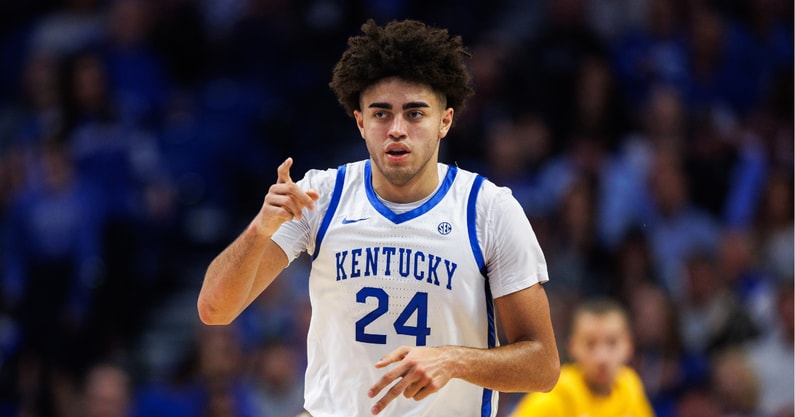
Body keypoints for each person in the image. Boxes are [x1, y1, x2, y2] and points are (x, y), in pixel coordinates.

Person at [197, 19, 560, 417]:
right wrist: (259, 229)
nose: (397, 130)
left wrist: (454, 360)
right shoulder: (321, 195)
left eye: (415, 113)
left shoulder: (488, 209)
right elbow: (215, 311)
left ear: (445, 121)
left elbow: (542, 366)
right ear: (360, 122)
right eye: (382, 114)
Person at [508, 297, 654, 417]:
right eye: (590, 344)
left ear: (628, 345)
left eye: (612, 343)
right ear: (573, 346)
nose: (601, 357)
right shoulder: (556, 396)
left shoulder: (630, 386)